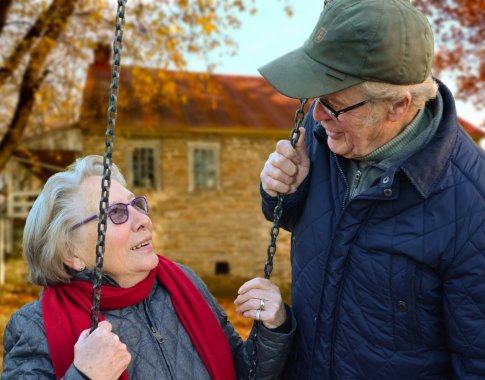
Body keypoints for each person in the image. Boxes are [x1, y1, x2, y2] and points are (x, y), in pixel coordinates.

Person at [258, 0, 485, 378]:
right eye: (317, 98)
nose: (317, 115)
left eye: (333, 104)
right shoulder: (322, 137)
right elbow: (306, 225)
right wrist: (282, 192)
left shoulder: (473, 208)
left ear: (398, 106)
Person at [2, 155, 295, 380]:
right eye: (115, 213)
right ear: (71, 253)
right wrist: (84, 375)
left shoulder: (183, 284)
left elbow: (242, 372)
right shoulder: (34, 326)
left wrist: (272, 328)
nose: (142, 219)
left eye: (136, 205)